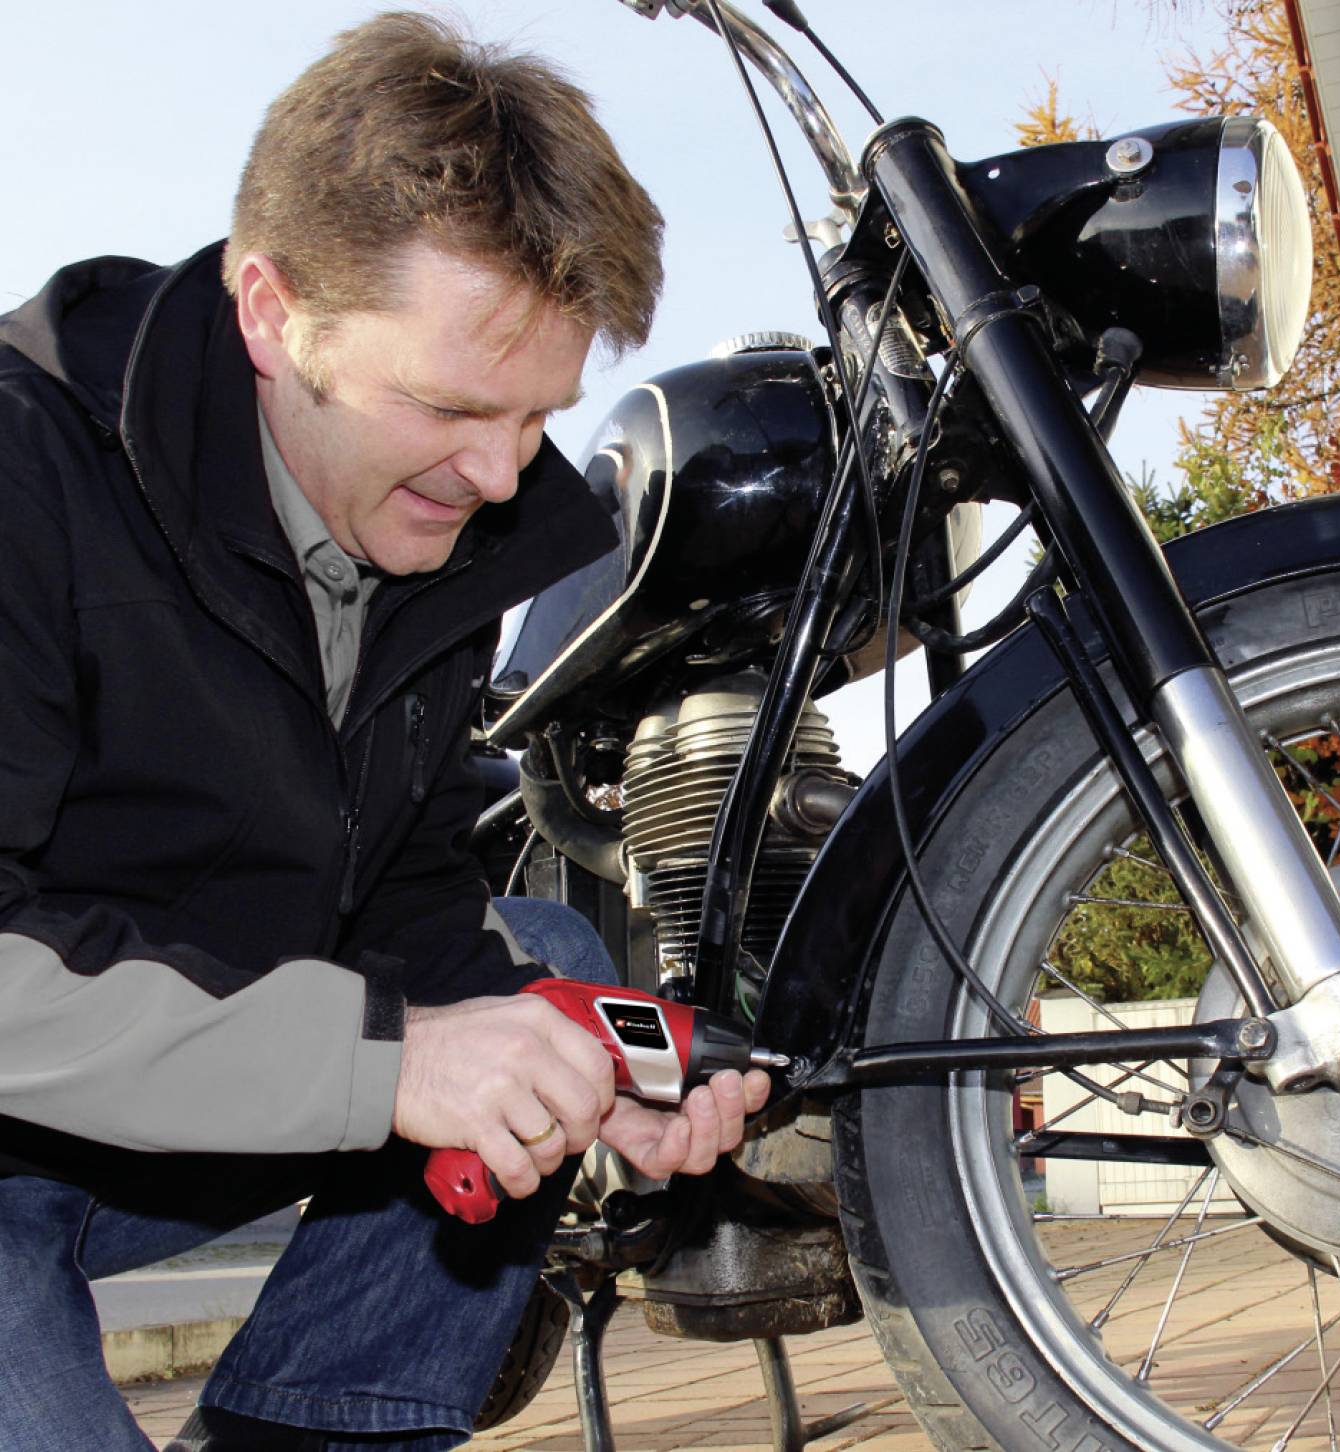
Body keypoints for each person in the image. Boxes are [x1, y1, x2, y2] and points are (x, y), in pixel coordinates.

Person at [0, 12, 769, 1449]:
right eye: (448, 406)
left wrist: (597, 1084)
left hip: (129, 1125)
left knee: (543, 975)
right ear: (268, 309)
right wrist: (392, 1064)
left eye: (538, 417)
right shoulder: (25, 470)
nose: (495, 474)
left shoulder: (433, 521)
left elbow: (406, 897)